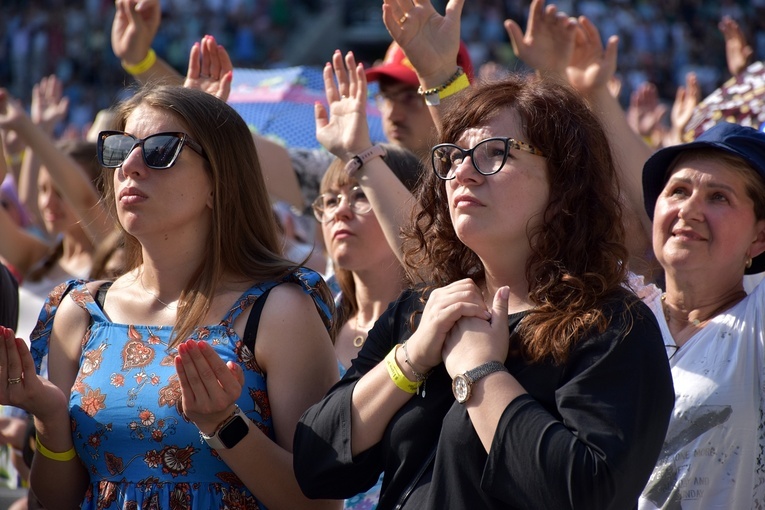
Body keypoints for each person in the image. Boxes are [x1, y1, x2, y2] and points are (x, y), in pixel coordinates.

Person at [293, 1, 675, 508]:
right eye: (452, 158)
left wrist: (480, 375)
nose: (464, 174)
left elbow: (586, 492)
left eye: (495, 154)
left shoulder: (610, 328)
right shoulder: (422, 309)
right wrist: (411, 359)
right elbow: (316, 464)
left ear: (564, 181)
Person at [0, 85, 340, 510]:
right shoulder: (80, 312)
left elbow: (320, 503)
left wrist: (224, 426)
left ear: (220, 182)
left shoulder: (278, 311)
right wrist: (49, 418)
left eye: (161, 150)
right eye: (121, 147)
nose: (131, 165)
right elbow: (55, 502)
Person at [634, 122, 765, 509]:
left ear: (759, 237)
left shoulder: (756, 325)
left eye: (719, 198)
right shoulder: (615, 316)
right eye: (677, 191)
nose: (689, 209)